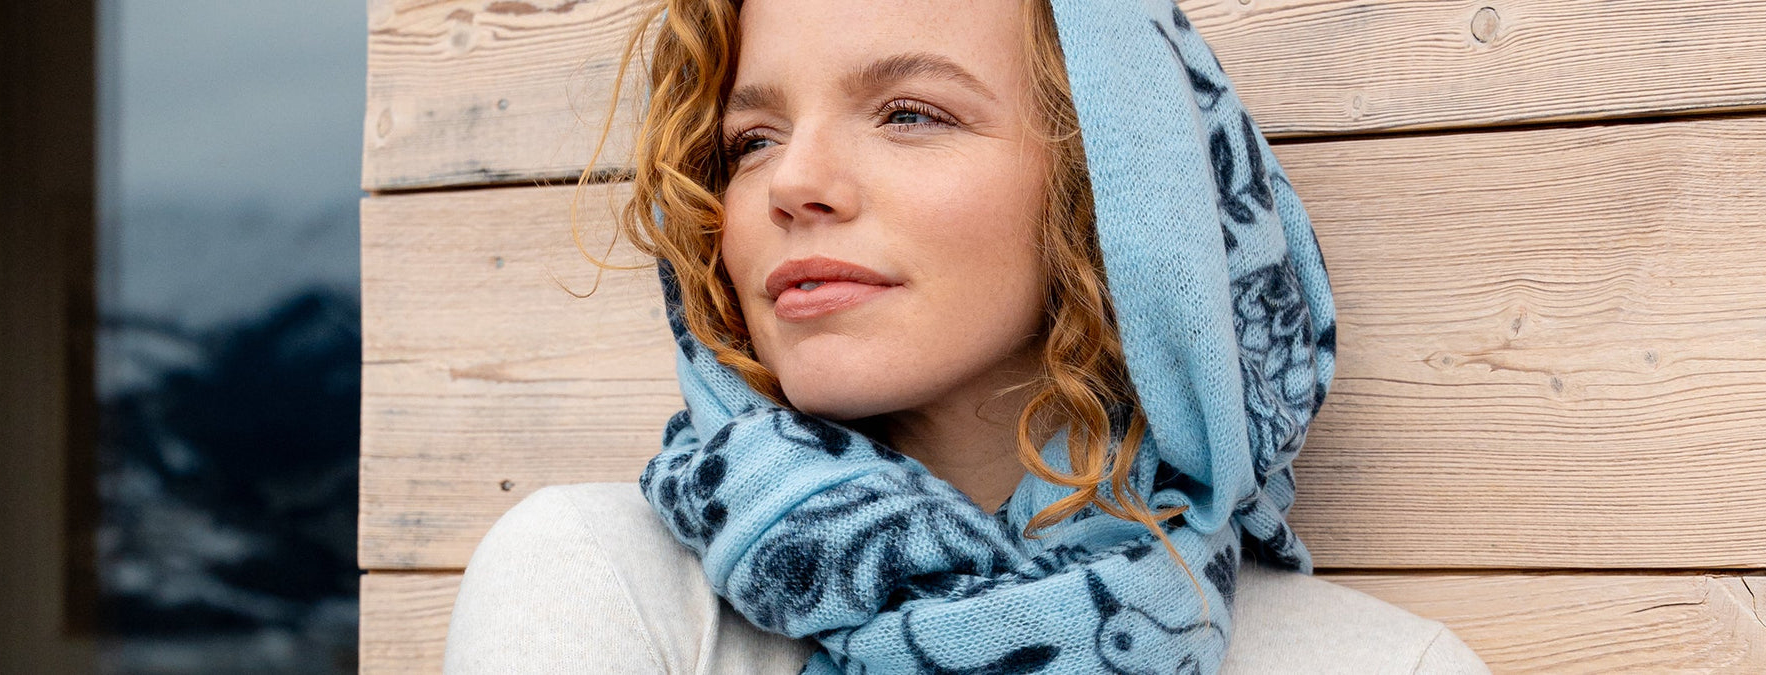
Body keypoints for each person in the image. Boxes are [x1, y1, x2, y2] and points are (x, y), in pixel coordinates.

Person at [446, 0, 1491, 672]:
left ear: (1112, 187)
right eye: (751, 139)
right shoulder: (601, 581)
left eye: (910, 114)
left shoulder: (1386, 667)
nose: (792, 183)